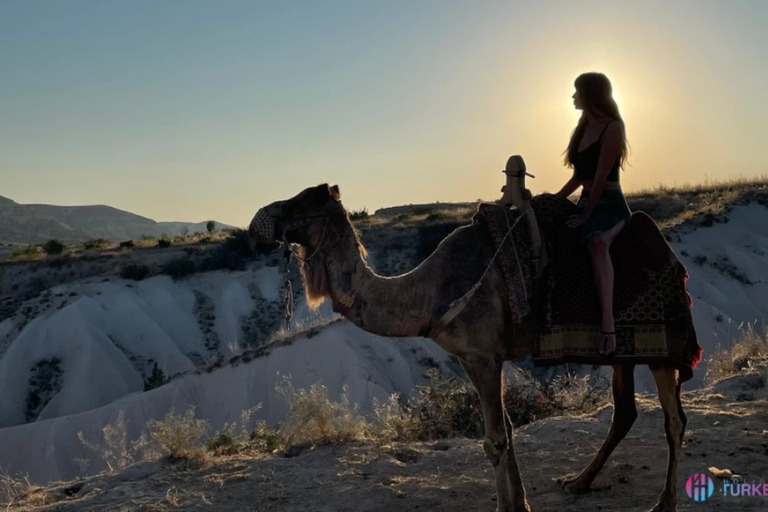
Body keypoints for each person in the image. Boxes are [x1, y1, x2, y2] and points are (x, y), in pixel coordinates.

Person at [555, 72, 632, 358]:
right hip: (587, 199)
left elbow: (600, 177)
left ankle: (608, 324)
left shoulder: (612, 128)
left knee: (597, 244)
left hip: (610, 203)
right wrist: (554, 200)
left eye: (577, 91)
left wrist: (587, 215)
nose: (573, 97)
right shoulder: (582, 127)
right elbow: (579, 177)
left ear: (590, 94)